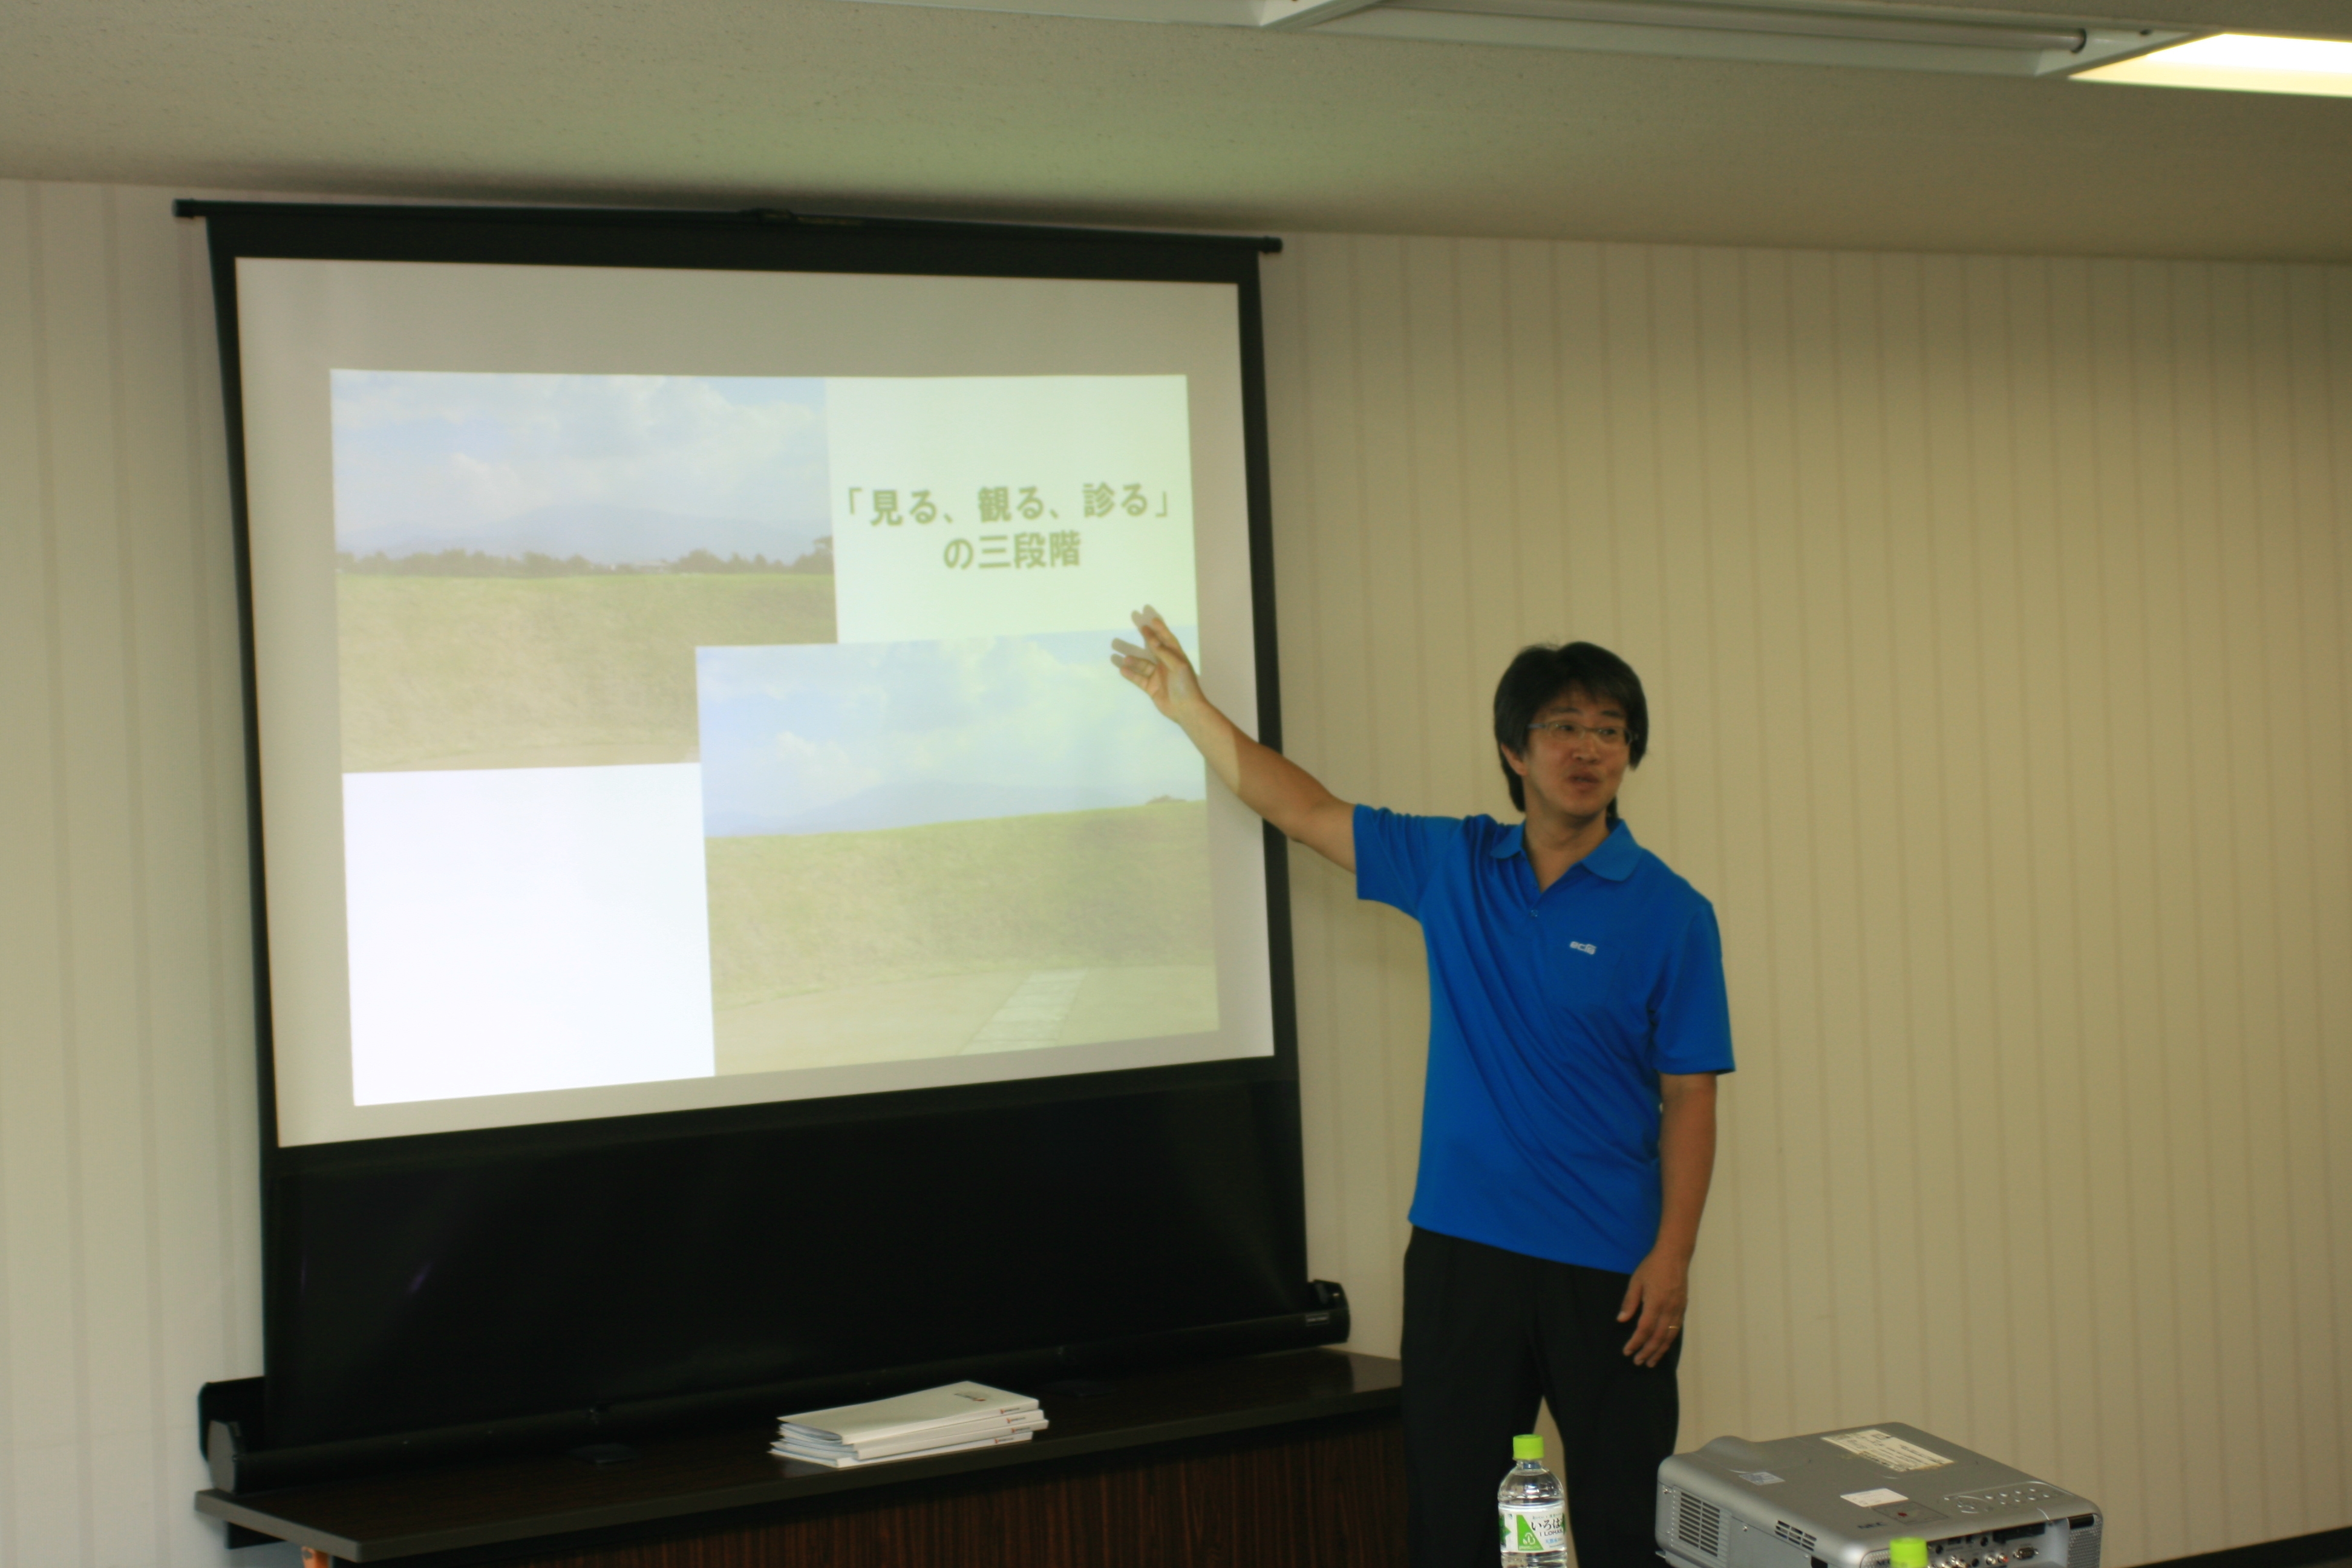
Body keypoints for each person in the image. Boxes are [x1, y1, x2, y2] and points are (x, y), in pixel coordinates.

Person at [1111, 608, 1734, 1568]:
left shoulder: (1673, 912)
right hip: (1463, 1253)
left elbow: (1691, 1097)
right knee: (1457, 1521)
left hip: (1610, 1267)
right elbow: (1304, 811)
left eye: (1611, 731)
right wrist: (1190, 709)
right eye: (1564, 727)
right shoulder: (1456, 866)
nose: (1589, 749)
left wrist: (1673, 1257)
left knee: (1621, 1527)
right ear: (1514, 750)